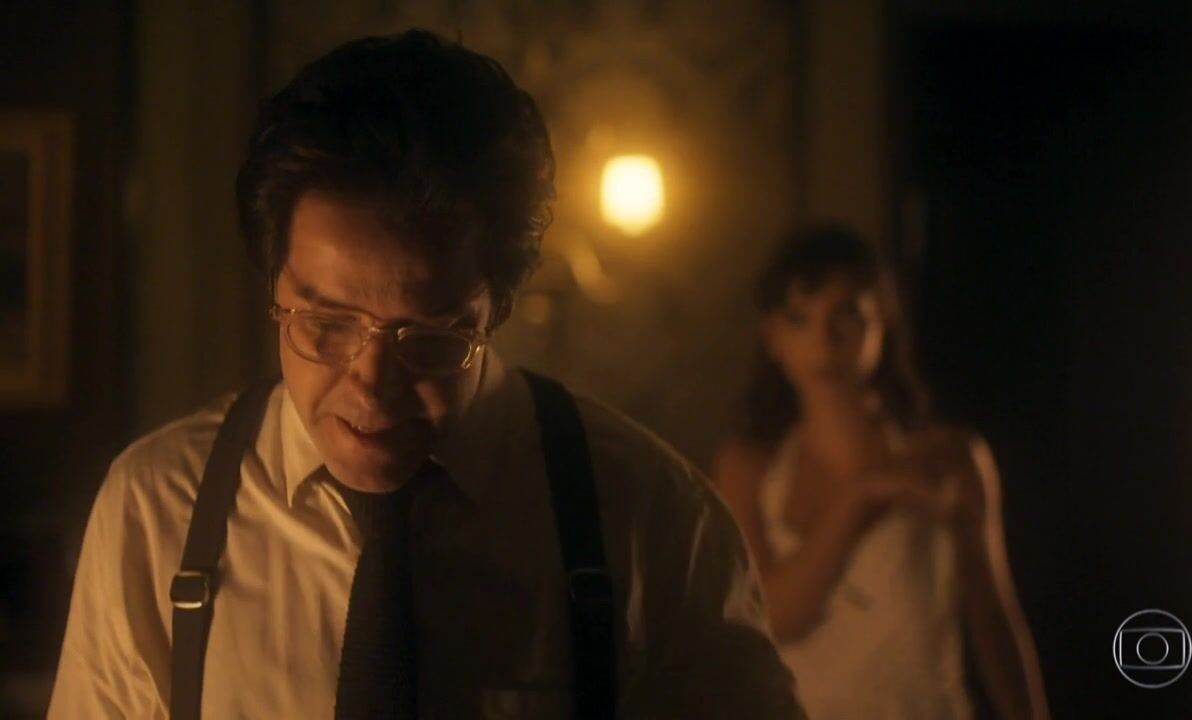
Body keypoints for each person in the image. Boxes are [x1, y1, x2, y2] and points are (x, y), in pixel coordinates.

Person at [48, 30, 805, 719]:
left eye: (431, 336)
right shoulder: (161, 508)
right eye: (327, 323)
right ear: (273, 286)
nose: (373, 381)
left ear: (496, 307)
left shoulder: (651, 516)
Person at [714, 226, 1050, 719]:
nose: (825, 340)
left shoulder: (947, 456)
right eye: (800, 319)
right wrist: (860, 498)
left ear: (883, 318)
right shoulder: (749, 466)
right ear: (772, 336)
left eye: (847, 313)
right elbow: (768, 619)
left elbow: (993, 616)